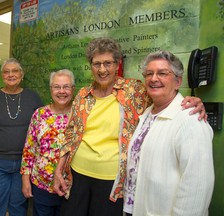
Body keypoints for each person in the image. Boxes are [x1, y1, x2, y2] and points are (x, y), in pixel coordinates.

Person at [53, 37, 207, 216]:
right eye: (97, 64)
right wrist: (59, 170)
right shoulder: (82, 94)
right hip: (77, 174)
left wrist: (193, 102)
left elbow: (164, 98)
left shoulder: (134, 90)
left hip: (112, 180)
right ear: (91, 65)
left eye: (108, 63)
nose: (102, 69)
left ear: (117, 64)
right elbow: (70, 133)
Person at [123, 51, 214, 216]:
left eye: (162, 73)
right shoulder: (148, 114)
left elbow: (198, 187)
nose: (154, 78)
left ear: (178, 81)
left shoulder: (190, 119)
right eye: (149, 74)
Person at [0, 58, 43, 216]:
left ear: (22, 74)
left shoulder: (33, 97)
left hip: (24, 165)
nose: (11, 74)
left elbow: (42, 128)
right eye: (6, 71)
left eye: (15, 71)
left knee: (18, 205)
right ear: (2, 76)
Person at [20, 69, 75, 216]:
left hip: (70, 187)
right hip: (42, 185)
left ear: (73, 89)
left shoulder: (79, 116)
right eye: (57, 87)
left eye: (66, 87)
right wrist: (25, 180)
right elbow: (29, 149)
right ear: (51, 89)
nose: (61, 91)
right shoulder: (39, 115)